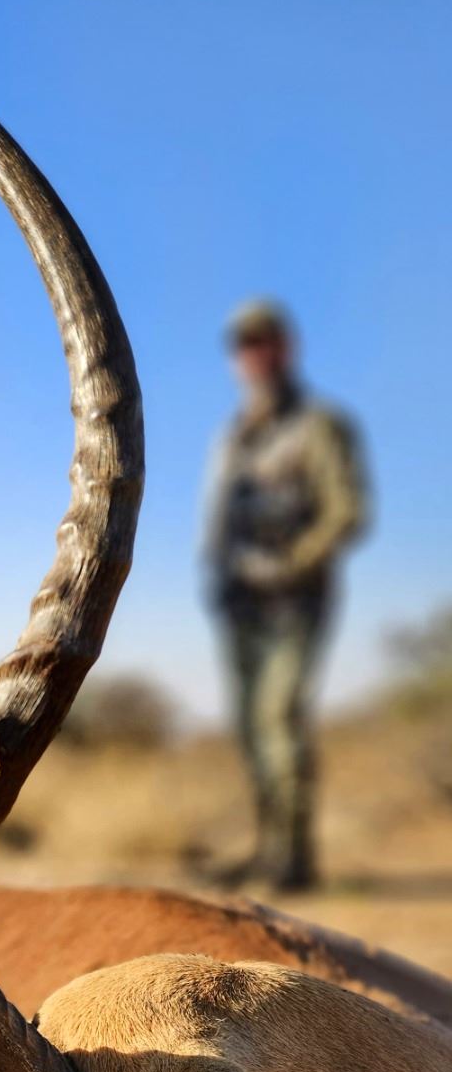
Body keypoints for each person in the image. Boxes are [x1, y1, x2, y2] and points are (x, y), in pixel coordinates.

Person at [201, 299, 369, 890]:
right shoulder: (235, 434)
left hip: (293, 601)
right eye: (243, 344)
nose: (253, 353)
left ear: (286, 347)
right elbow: (220, 520)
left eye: (263, 341)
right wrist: (219, 576)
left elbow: (348, 511)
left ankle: (295, 862)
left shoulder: (320, 424)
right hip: (238, 602)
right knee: (251, 725)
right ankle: (267, 850)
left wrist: (291, 564)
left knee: (279, 718)